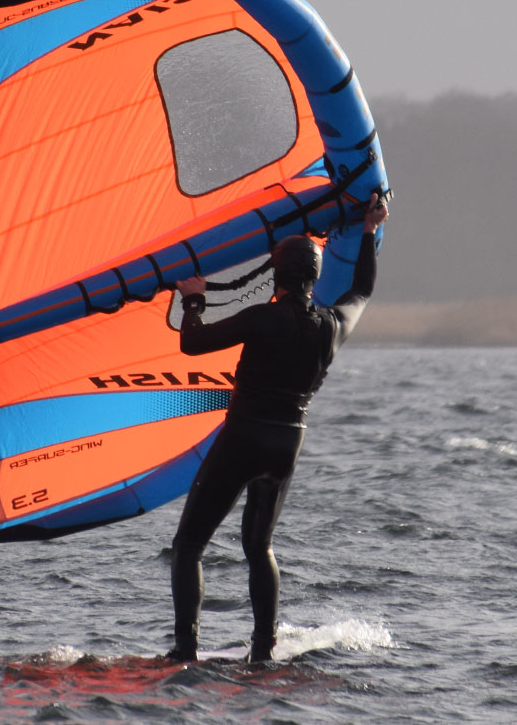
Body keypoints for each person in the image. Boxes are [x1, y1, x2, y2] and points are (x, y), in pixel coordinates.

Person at [167, 192, 390, 662]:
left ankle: (185, 651)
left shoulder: (262, 318)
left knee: (188, 545)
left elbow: (192, 344)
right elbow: (362, 291)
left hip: (245, 434)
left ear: (276, 274)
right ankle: (263, 652)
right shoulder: (331, 326)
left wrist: (193, 300)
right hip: (287, 443)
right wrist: (369, 232)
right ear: (312, 278)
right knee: (258, 546)